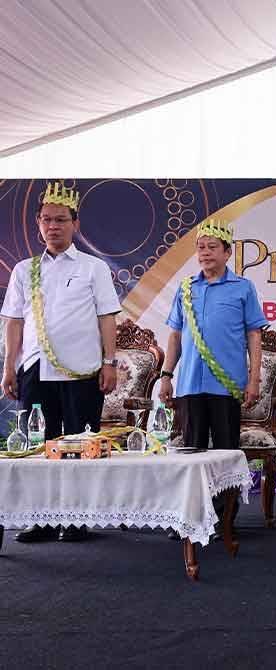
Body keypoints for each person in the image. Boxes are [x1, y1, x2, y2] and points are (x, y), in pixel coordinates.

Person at [1, 181, 120, 542]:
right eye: (47, 220)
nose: (53, 226)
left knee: (79, 445)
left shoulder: (93, 268)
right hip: (35, 368)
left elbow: (107, 318)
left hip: (82, 369)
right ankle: (44, 518)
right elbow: (15, 321)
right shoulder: (24, 270)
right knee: (41, 444)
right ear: (37, 223)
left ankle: (77, 517)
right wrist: (8, 366)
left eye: (61, 220)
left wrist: (109, 362)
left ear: (75, 224)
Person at [159, 218, 267, 534]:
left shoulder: (243, 288)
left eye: (212, 248)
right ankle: (189, 517)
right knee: (190, 454)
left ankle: (222, 520)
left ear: (227, 252)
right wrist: (167, 374)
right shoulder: (186, 289)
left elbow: (254, 336)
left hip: (227, 384)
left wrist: (254, 377)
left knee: (224, 454)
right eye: (200, 247)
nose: (205, 253)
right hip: (190, 382)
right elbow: (176, 336)